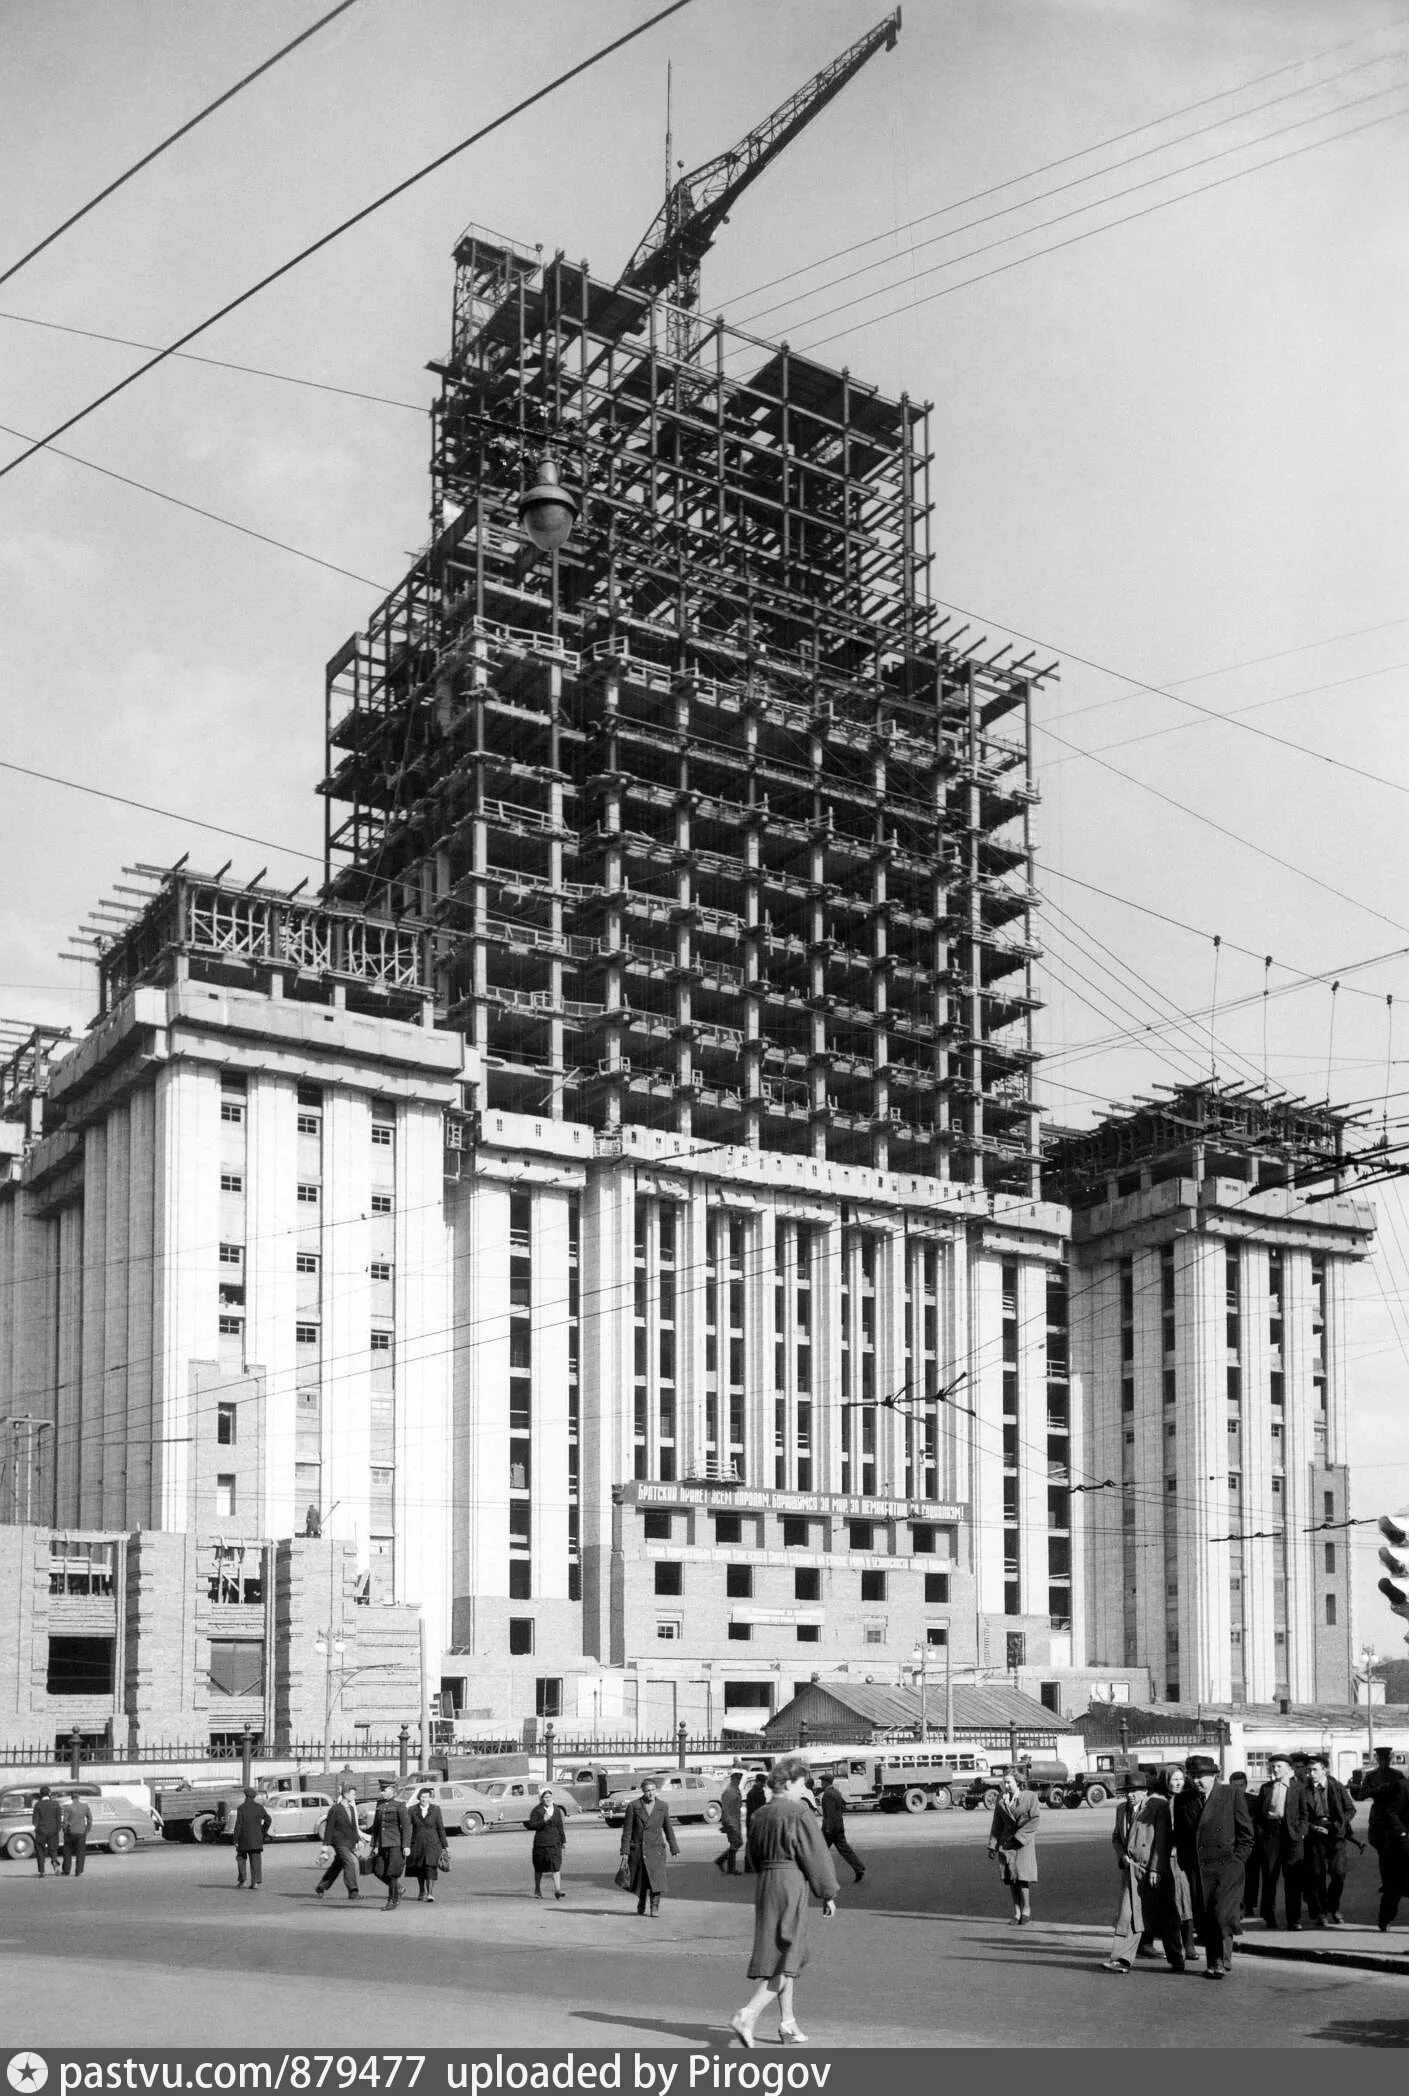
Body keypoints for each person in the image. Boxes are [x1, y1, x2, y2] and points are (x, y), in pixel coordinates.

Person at [730, 1753, 839, 2049]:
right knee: (791, 1953)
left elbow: (752, 1857)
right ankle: (748, 2014)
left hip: (766, 1884)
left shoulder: (760, 1814)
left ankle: (787, 2023)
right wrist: (827, 1893)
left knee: (782, 1952)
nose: (804, 1790)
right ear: (788, 1783)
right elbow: (816, 1855)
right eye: (801, 1784)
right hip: (790, 1883)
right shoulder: (798, 1812)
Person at [1173, 1754, 1254, 1979]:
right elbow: (1180, 1835)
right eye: (1193, 1776)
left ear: (1213, 1776)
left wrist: (1237, 1862)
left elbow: (1247, 1835)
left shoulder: (1231, 1795)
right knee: (1206, 1916)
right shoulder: (1183, 1800)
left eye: (1201, 1776)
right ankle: (1214, 1962)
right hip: (1198, 1869)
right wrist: (1184, 1862)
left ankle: (1220, 1960)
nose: (1196, 1781)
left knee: (1221, 1915)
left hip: (1227, 1868)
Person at [1101, 1771, 1185, 1973]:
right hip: (1131, 1871)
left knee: (1166, 1916)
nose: (1130, 1795)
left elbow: (1163, 1840)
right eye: (1128, 1791)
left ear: (1145, 1791)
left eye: (1135, 1791)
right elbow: (1116, 1837)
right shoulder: (1121, 1810)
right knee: (1127, 1915)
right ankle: (1122, 1959)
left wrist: (1156, 1868)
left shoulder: (1158, 1807)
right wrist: (1122, 1856)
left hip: (1154, 1872)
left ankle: (1177, 1959)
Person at [1254, 1753, 1309, 1929]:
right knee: (1270, 1877)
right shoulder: (1266, 1788)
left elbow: (1305, 1813)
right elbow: (1258, 1814)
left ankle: (1294, 1919)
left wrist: (1301, 1832)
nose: (1275, 1770)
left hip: (1292, 1836)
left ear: (1288, 1769)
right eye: (1273, 1767)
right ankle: (1269, 1916)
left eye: (1279, 1766)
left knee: (1293, 1879)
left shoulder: (1298, 1788)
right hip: (1271, 1835)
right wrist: (1261, 1834)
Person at [1300, 1751, 1354, 1927]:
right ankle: (1322, 1912)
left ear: (1324, 1770)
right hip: (1315, 1834)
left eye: (1315, 1770)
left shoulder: (1336, 1786)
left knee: (1339, 1873)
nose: (1311, 1774)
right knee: (1317, 1876)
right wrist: (1312, 1827)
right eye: (1309, 1770)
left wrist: (1337, 1825)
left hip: (1335, 1834)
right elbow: (1300, 1815)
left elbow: (1350, 1809)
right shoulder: (1303, 1789)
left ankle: (1333, 1906)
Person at [987, 1766, 1040, 1926]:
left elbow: (1034, 1820)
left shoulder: (1030, 1797)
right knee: (1011, 1879)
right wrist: (992, 1846)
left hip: (1022, 1843)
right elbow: (997, 1823)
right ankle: (1017, 1912)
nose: (1006, 1785)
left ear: (1018, 1782)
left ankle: (1026, 1910)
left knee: (1022, 1878)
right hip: (1006, 1844)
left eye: (1009, 1782)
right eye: (1004, 1783)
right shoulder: (1001, 1799)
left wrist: (1018, 1838)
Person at [1363, 1746, 1409, 1931]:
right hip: (1389, 1831)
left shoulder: (1398, 1776)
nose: (1384, 1762)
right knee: (1393, 1882)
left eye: (1386, 1759)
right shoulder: (1399, 1783)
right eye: (1381, 1759)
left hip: (1395, 1831)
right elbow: (1362, 1795)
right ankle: (1385, 1917)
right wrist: (1402, 1833)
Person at [620, 1777, 679, 1918]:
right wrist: (625, 1850)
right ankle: (641, 1901)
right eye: (647, 1791)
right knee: (642, 1880)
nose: (651, 1793)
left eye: (653, 1790)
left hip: (656, 1849)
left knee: (656, 1880)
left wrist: (674, 1847)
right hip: (639, 1849)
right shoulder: (634, 1806)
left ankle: (654, 1906)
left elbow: (668, 1828)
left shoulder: (662, 1806)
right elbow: (627, 1830)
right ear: (643, 1791)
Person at [1160, 1767, 1199, 1963]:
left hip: (1183, 1858)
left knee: (1185, 1899)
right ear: (1166, 1781)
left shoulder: (1188, 1800)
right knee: (1169, 1903)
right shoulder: (1159, 1802)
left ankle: (1189, 1944)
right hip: (1164, 1858)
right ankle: (1174, 1949)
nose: (1177, 1783)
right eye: (1174, 1779)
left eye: (1180, 1779)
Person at [368, 1778, 412, 1911]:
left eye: (384, 1790)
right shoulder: (380, 1804)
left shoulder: (400, 1805)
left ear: (392, 1790)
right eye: (381, 1790)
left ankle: (392, 1900)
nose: (381, 1793)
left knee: (392, 1873)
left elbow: (407, 1826)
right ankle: (399, 1888)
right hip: (382, 1844)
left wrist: (406, 1845)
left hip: (395, 1844)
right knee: (378, 1870)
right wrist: (374, 1845)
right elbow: (376, 1827)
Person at [315, 1786, 363, 1902]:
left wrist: (358, 1840)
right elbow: (329, 1827)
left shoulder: (351, 1808)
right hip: (339, 1842)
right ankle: (353, 1891)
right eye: (353, 1794)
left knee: (337, 1866)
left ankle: (321, 1886)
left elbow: (353, 1827)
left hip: (349, 1842)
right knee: (349, 1863)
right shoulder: (335, 1809)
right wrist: (325, 1844)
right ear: (346, 1795)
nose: (355, 1796)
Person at [818, 1774, 865, 1885]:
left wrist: (828, 1828)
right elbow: (841, 1808)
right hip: (839, 1825)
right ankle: (858, 1867)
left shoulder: (827, 1794)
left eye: (822, 1781)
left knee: (819, 1851)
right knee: (845, 1849)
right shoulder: (836, 1792)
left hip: (830, 1827)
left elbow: (830, 1813)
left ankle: (816, 1874)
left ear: (826, 1782)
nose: (821, 1783)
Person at [526, 1785, 569, 1901]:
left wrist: (563, 1842)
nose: (548, 1799)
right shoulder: (537, 1810)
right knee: (539, 1868)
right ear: (541, 1799)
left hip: (555, 1843)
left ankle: (558, 1890)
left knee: (556, 1866)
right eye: (545, 1797)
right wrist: (543, 1821)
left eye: (550, 1797)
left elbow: (560, 1826)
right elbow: (531, 1825)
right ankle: (537, 1889)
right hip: (541, 1844)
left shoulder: (556, 1809)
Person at [408, 1786, 449, 1904]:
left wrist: (445, 1845)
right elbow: (408, 1828)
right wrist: (406, 1844)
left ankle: (430, 1893)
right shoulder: (412, 1810)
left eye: (426, 1797)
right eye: (422, 1797)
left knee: (430, 1867)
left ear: (430, 1798)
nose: (424, 1799)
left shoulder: (435, 1809)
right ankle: (422, 1891)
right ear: (418, 1798)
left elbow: (440, 1828)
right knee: (420, 1868)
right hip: (417, 1844)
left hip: (433, 1844)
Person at [232, 1788, 272, 1891]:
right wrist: (262, 1831)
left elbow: (238, 1825)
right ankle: (255, 1882)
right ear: (254, 1797)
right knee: (256, 1860)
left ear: (245, 1796)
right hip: (257, 1839)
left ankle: (242, 1880)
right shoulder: (259, 1807)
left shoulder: (241, 1808)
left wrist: (235, 1839)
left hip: (243, 1839)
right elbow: (268, 1820)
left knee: (241, 1858)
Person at [716, 1770, 745, 1876]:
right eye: (737, 1779)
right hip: (731, 1820)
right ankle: (729, 1867)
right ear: (733, 1779)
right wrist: (729, 1823)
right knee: (736, 1842)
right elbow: (726, 1809)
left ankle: (722, 1861)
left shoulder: (735, 1790)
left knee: (737, 1842)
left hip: (735, 1819)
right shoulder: (729, 1792)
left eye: (739, 1779)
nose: (738, 1781)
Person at [31, 1787, 62, 1879]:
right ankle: (55, 1864)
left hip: (41, 1831)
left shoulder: (38, 1805)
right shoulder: (55, 1804)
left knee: (40, 1851)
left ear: (41, 1794)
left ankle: (42, 1871)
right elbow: (59, 1819)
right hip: (53, 1830)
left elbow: (34, 1821)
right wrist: (57, 1829)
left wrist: (37, 1828)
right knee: (53, 1849)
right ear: (49, 1793)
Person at [742, 1772, 769, 1875]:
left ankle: (754, 1865)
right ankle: (749, 1866)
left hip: (758, 1821)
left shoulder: (758, 1791)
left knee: (756, 1844)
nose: (764, 1784)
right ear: (758, 1782)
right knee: (752, 1845)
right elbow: (754, 1810)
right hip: (754, 1822)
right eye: (763, 1782)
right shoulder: (754, 1793)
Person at [61, 1793, 93, 1878]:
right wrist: (87, 1828)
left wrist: (65, 1830)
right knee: (80, 1852)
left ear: (71, 1798)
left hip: (70, 1832)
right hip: (81, 1832)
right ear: (79, 1798)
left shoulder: (68, 1807)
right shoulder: (85, 1806)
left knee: (67, 1851)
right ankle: (78, 1871)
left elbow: (65, 1821)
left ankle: (66, 1870)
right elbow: (90, 1818)